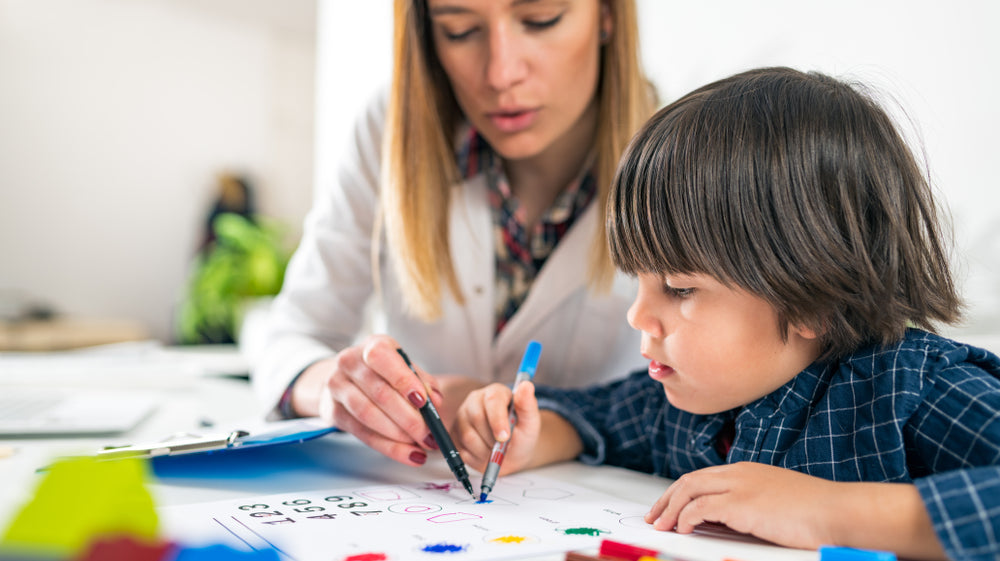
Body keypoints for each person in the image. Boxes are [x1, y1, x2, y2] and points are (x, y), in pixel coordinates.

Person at [453, 67, 1000, 561]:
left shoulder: (913, 393)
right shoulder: (686, 401)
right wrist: (530, 432)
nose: (639, 316)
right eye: (638, 283)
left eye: (679, 288)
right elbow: (593, 418)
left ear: (812, 299)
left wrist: (826, 511)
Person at [250, 0, 655, 468]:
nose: (501, 73)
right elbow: (291, 338)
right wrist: (336, 388)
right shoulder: (390, 131)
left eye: (541, 20)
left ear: (607, 15)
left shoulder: (694, 160)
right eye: (459, 30)